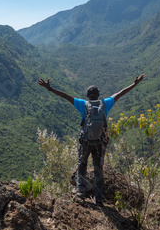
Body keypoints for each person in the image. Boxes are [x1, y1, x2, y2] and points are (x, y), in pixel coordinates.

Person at [37, 74, 145, 206]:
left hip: (85, 142)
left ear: (87, 96)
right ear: (98, 95)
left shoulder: (83, 104)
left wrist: (50, 88)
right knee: (98, 168)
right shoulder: (105, 104)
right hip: (100, 143)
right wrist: (135, 84)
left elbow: (65, 96)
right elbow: (121, 93)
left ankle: (81, 191)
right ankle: (99, 197)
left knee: (81, 165)